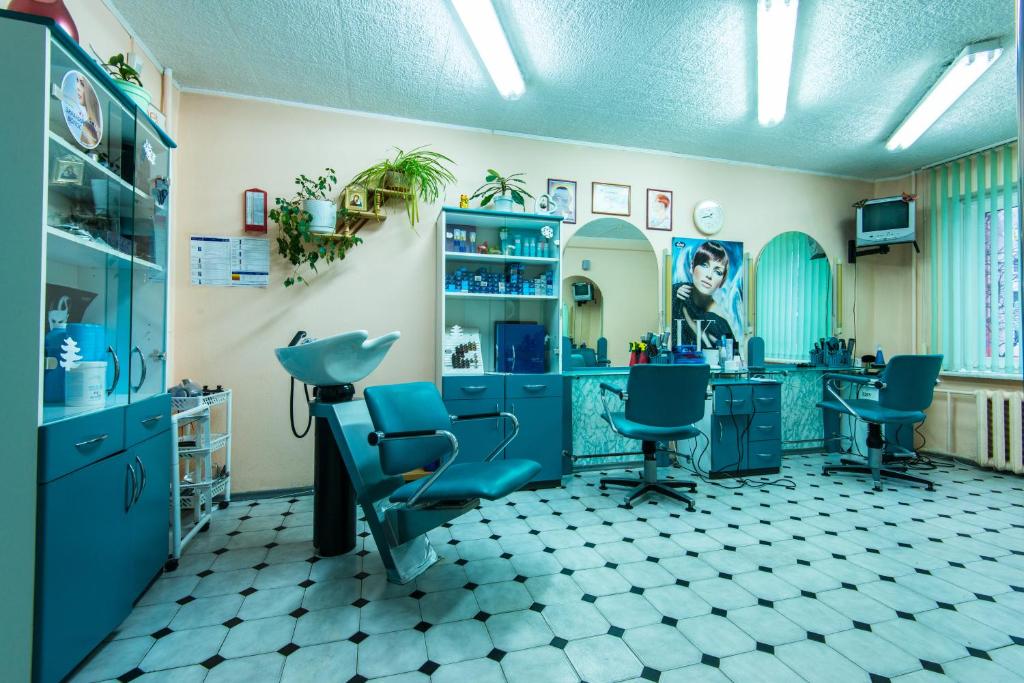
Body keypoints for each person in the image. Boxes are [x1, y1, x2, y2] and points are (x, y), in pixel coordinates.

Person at [672, 240, 735, 348]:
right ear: (692, 267)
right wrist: (674, 293)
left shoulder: (721, 322)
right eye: (705, 265)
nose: (709, 275)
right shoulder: (677, 292)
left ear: (722, 281)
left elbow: (731, 353)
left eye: (718, 272)